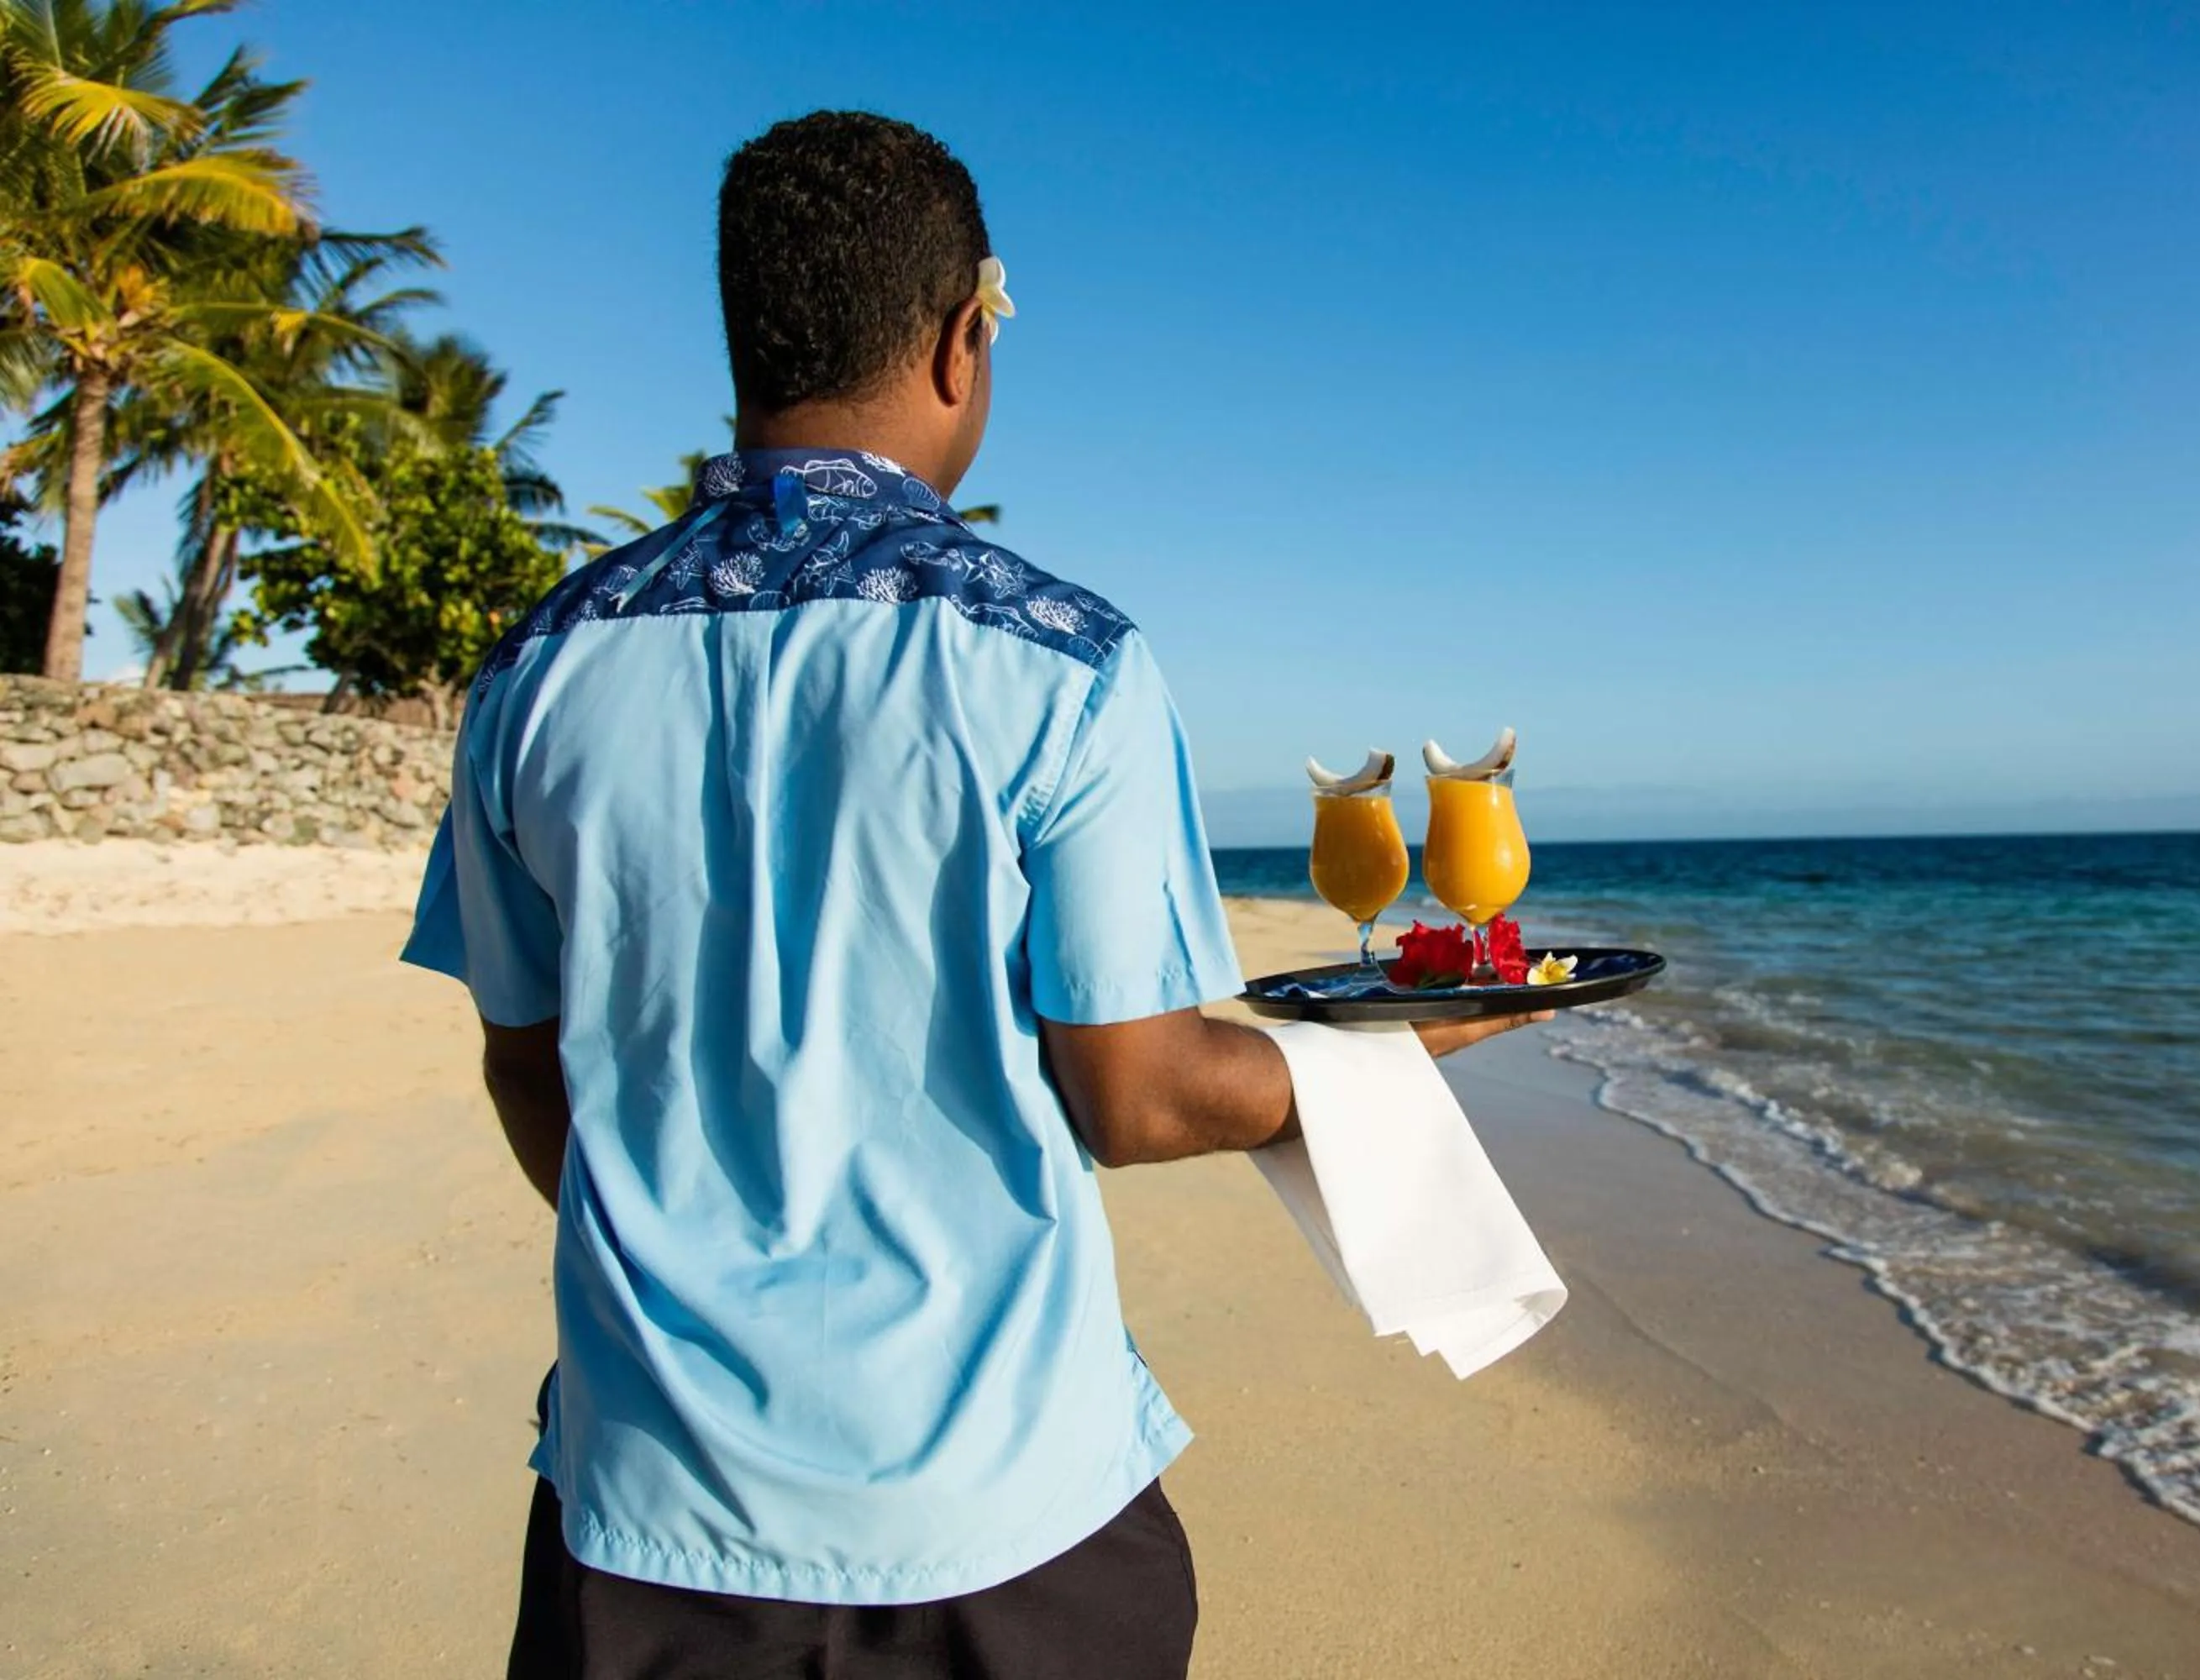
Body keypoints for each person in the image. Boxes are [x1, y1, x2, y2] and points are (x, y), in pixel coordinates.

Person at [402, 109, 1541, 1680]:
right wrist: (1390, 1050)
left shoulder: (536, 669)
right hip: (999, 1522)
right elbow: (1137, 1093)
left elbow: (529, 1064)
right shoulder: (1062, 663)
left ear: (748, 342)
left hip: (647, 1515)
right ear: (961, 343)